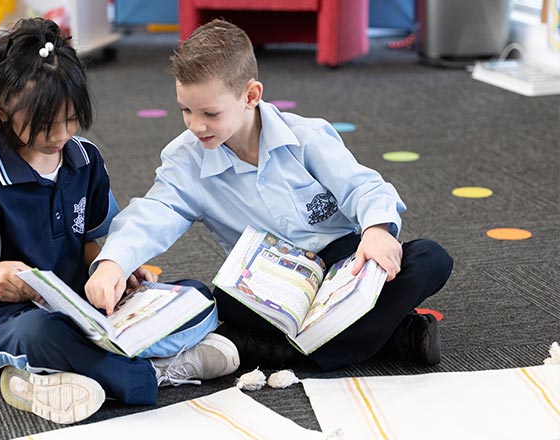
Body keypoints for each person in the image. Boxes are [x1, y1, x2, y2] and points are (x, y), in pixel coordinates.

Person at [86, 19, 453, 372]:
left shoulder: (307, 136)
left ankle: (276, 352)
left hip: (342, 264)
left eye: (210, 113)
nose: (196, 125)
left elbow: (363, 186)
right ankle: (393, 334)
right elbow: (153, 213)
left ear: (251, 96)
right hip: (270, 283)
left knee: (430, 259)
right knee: (222, 299)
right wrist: (113, 262)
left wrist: (375, 230)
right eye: (185, 110)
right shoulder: (187, 160)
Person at [0, 18, 238, 425]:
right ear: (2, 108)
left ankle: (67, 378)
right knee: (42, 335)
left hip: (88, 305)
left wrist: (118, 270)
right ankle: (155, 371)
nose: (61, 134)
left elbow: (94, 242)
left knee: (199, 297)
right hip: (12, 320)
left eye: (71, 119)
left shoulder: (85, 159)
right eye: (46, 124)